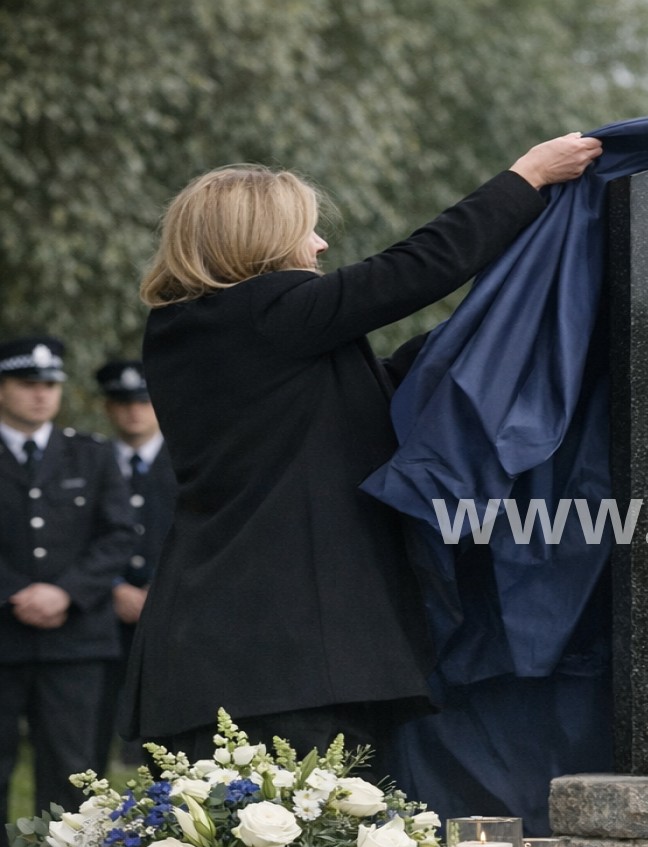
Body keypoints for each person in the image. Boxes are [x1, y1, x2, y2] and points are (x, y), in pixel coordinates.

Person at [125, 132, 603, 762]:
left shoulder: (206, 333)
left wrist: (514, 307)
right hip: (285, 653)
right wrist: (525, 178)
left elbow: (391, 385)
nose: (321, 245)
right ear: (260, 239)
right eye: (308, 231)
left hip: (234, 645)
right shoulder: (264, 315)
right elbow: (415, 267)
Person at [0, 335, 135, 847]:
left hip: (76, 637)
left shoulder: (92, 454)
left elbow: (118, 535)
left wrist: (65, 591)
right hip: (4, 634)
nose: (40, 396)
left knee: (73, 767)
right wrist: (14, 592)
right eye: (27, 384)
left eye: (50, 385)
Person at [92, 358, 175, 770]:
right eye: (122, 402)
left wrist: (157, 591)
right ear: (108, 407)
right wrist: (113, 587)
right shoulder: (89, 461)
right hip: (102, 613)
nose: (134, 410)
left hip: (175, 614)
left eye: (144, 400)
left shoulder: (188, 461)